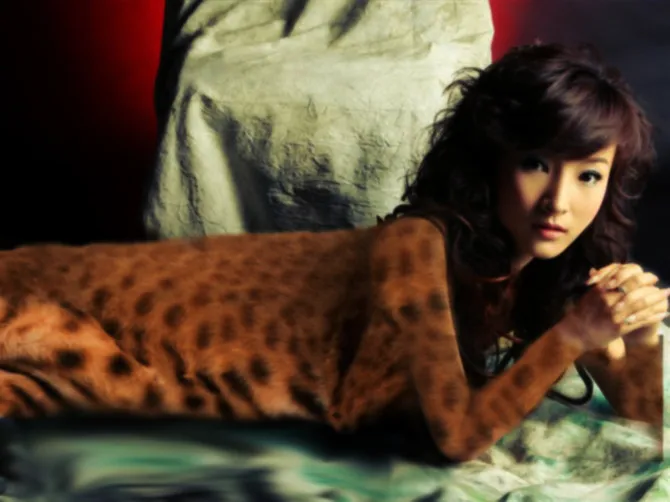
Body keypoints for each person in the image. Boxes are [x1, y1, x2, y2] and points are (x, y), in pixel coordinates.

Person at [384, 42, 666, 425]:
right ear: (490, 162)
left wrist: (643, 337)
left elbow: (644, 419)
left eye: (588, 176)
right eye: (535, 164)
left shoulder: (559, 276)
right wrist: (573, 335)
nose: (558, 202)